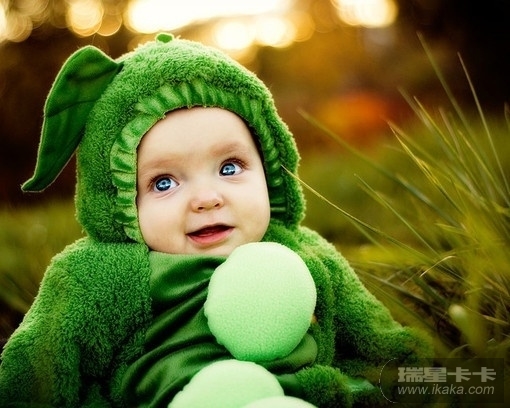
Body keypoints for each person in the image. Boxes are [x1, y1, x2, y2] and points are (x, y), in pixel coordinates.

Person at [0, 33, 432, 407]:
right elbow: (38, 369)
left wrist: (411, 379)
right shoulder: (102, 277)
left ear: (269, 170)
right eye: (164, 182)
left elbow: (378, 339)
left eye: (229, 167)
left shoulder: (300, 251)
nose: (207, 199)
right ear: (122, 203)